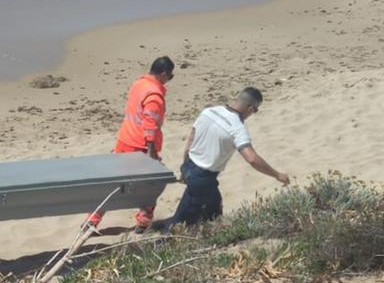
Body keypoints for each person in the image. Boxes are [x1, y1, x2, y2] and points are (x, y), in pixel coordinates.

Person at [167, 87, 290, 226]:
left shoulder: (209, 111)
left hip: (189, 165)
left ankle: (208, 232)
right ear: (250, 108)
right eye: (255, 110)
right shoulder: (237, 128)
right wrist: (277, 175)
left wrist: (184, 168)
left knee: (213, 210)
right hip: (203, 177)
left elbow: (190, 140)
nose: (253, 113)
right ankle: (161, 234)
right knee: (180, 223)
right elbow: (252, 159)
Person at [86, 56, 175, 233]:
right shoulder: (154, 95)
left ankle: (91, 220)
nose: (169, 80)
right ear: (164, 74)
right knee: (150, 187)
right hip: (140, 147)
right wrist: (152, 152)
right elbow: (150, 125)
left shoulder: (138, 84)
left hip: (124, 140)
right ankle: (143, 223)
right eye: (170, 76)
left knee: (112, 183)